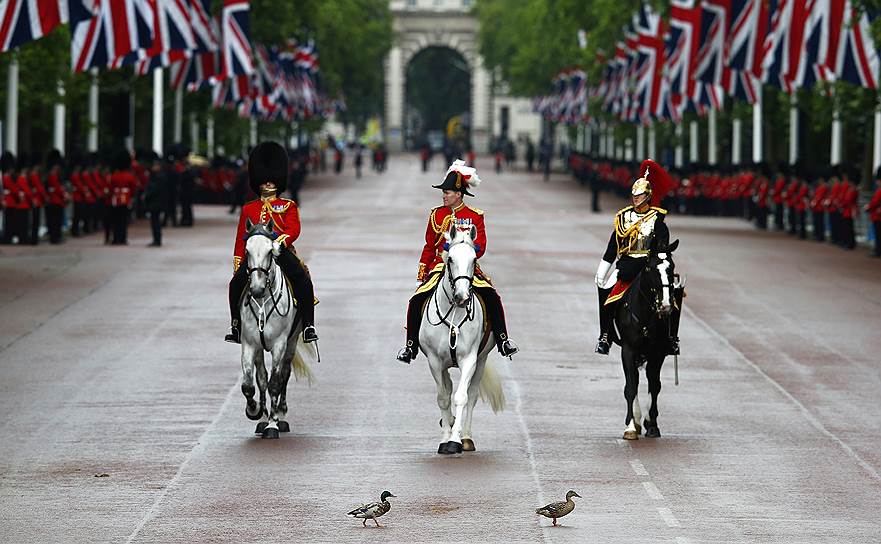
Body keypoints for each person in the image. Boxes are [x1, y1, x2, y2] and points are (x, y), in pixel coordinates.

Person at [396, 159, 519, 363]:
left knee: (492, 297)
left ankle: (503, 340)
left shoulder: (474, 216)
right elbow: (428, 246)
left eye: (447, 192)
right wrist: (421, 276)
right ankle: (410, 346)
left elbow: (481, 246)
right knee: (416, 300)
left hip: (466, 268)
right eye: (443, 192)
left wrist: (461, 249)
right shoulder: (436, 215)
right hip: (439, 267)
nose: (444, 196)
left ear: (458, 194)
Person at [225, 141, 318, 345]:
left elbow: (293, 229)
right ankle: (235, 325)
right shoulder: (249, 208)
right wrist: (238, 262)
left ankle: (308, 325)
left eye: (271, 180)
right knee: (235, 284)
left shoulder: (287, 206)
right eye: (264, 180)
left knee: (302, 279)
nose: (268, 183)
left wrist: (281, 242)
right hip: (255, 256)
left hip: (280, 251)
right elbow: (241, 236)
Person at [594, 160, 682, 356]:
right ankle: (605, 336)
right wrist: (604, 268)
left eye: (640, 195)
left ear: (648, 195)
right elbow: (613, 245)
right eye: (634, 195)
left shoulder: (657, 220)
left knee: (673, 296)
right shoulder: (623, 218)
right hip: (626, 266)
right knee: (606, 293)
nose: (635, 198)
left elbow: (662, 248)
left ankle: (671, 339)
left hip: (649, 265)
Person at [44, 150, 69, 244]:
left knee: (56, 221)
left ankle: (56, 236)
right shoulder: (52, 176)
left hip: (56, 201)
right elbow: (57, 189)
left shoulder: (53, 176)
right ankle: (55, 238)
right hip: (54, 201)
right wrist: (65, 195)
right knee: (55, 221)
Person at [143, 152, 166, 247]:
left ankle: (157, 240)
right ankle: (156, 239)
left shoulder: (158, 176)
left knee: (155, 222)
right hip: (157, 202)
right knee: (155, 222)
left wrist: (147, 195)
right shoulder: (157, 176)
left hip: (156, 202)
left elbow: (153, 189)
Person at [866, 169, 881, 258]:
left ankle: (878, 251)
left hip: (878, 216)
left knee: (878, 236)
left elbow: (874, 202)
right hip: (876, 215)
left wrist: (868, 207)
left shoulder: (879, 191)